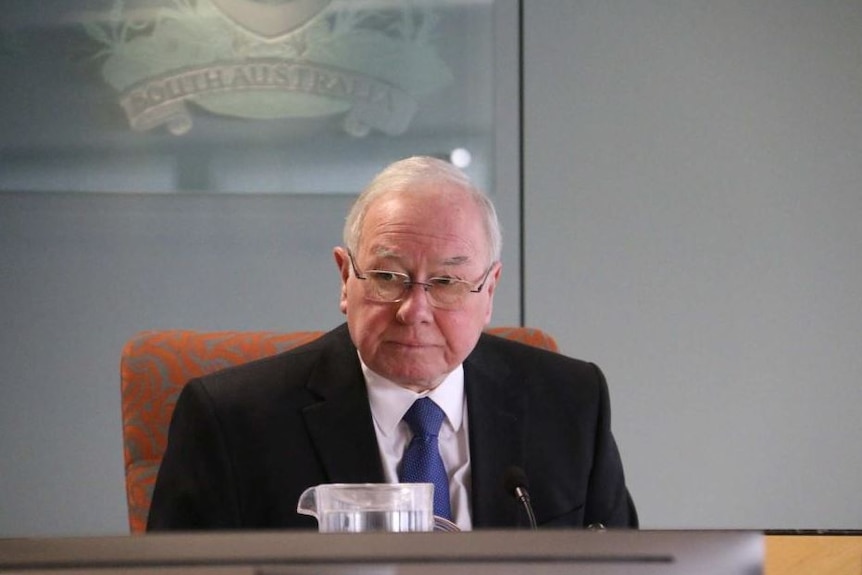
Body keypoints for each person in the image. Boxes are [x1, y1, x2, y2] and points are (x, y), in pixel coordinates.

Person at [147, 156, 637, 531]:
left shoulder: (572, 403)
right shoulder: (233, 422)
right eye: (388, 276)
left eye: (446, 282)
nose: (414, 311)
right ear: (345, 277)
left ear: (489, 291)